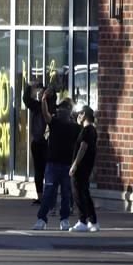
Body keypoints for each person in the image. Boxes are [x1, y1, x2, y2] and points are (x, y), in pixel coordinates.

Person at [33, 93, 81, 231]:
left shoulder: (75, 127)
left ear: (70, 111)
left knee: (66, 193)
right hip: (53, 163)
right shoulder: (54, 122)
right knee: (49, 192)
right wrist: (43, 100)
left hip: (67, 164)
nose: (62, 111)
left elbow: (82, 143)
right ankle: (42, 219)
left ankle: (64, 219)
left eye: (66, 108)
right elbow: (45, 114)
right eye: (60, 108)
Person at [23, 78, 52, 204]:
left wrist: (48, 92)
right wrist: (29, 87)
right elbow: (27, 99)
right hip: (38, 141)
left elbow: (27, 99)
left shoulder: (48, 107)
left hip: (47, 143)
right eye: (39, 94)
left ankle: (47, 196)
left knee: (47, 170)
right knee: (40, 170)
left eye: (42, 94)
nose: (39, 96)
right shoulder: (37, 106)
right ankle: (41, 196)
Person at [70, 105, 99, 232]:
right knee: (84, 192)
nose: (78, 116)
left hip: (81, 167)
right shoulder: (91, 130)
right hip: (86, 167)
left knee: (78, 193)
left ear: (85, 115)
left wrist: (75, 164)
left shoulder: (87, 130)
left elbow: (83, 147)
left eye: (80, 113)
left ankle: (82, 220)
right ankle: (92, 221)